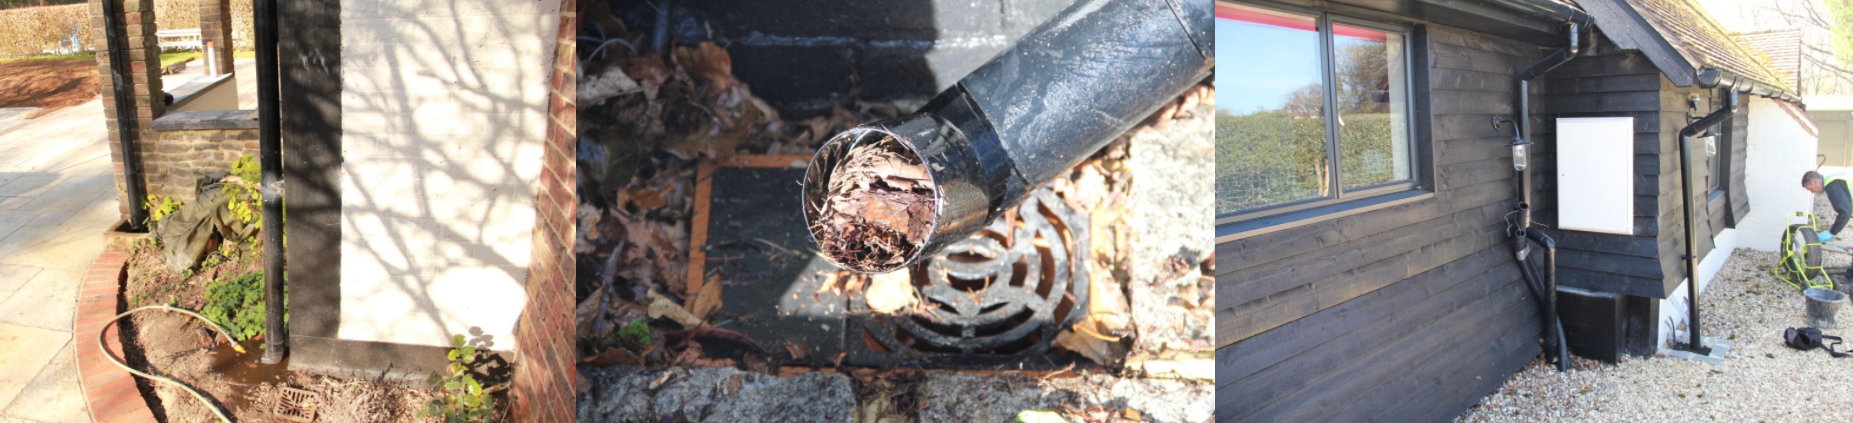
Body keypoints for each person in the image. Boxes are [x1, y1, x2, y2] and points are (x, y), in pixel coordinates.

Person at [1804, 171, 1852, 244]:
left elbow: (1845, 212)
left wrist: (1832, 232)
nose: (1812, 192)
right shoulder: (1834, 179)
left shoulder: (1833, 186)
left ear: (1814, 181)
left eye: (1810, 189)